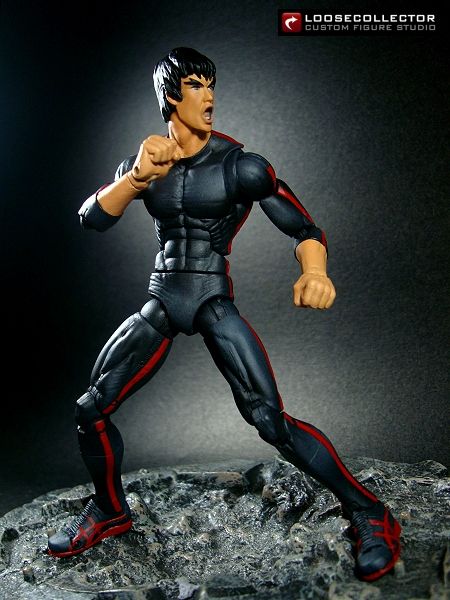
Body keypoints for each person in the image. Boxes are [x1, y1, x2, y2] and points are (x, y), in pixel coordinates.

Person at [48, 47, 401, 581]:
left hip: (211, 298)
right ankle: (110, 510)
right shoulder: (147, 162)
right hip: (163, 299)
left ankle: (370, 511)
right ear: (171, 96)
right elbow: (91, 217)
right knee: (90, 409)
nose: (209, 96)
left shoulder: (241, 166)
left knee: (270, 420)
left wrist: (315, 271)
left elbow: (304, 228)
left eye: (211, 84)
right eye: (196, 85)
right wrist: (137, 177)